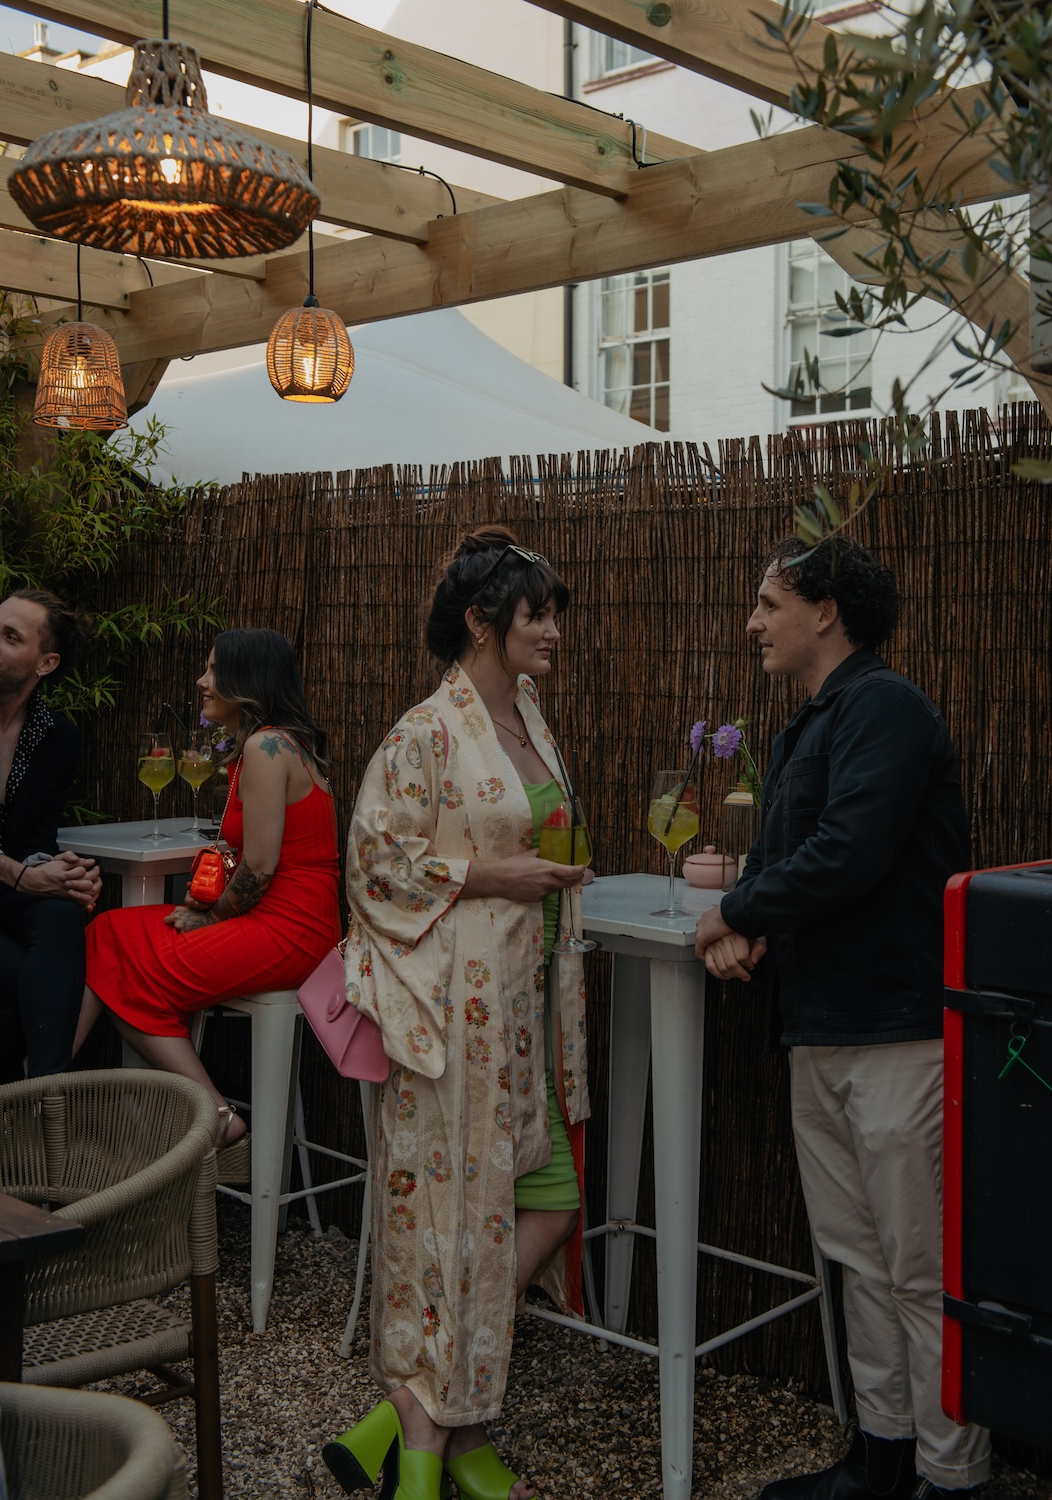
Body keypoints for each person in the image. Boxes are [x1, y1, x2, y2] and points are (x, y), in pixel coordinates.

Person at [694, 537, 990, 1500]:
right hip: (819, 1024)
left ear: (827, 610)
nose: (754, 621)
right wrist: (750, 927)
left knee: (919, 1263)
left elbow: (849, 852)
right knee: (858, 1259)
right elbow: (795, 866)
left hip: (897, 1030)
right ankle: (882, 1457)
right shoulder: (807, 724)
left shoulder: (887, 710)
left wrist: (736, 914)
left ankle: (955, 1476)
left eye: (769, 601)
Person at [325, 528, 591, 1500]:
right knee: (452, 1224)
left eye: (554, 612)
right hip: (457, 1012)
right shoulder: (425, 733)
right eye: (537, 612)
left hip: (527, 1004)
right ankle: (440, 1455)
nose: (553, 630)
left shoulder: (527, 715)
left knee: (545, 1205)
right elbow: (373, 861)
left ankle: (398, 1423)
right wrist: (493, 872)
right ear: (483, 621)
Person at [74, 629, 339, 1160]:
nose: (202, 681)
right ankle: (209, 1113)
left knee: (113, 959)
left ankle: (48, 1088)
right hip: (288, 920)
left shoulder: (268, 748)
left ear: (248, 681)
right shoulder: (277, 743)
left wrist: (211, 916)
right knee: (106, 933)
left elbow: (260, 866)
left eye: (214, 670)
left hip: (289, 931)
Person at [0, 588, 101, 1086]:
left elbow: (36, 833)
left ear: (45, 662)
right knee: (40, 984)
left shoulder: (58, 736)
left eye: (9, 636)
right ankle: (38, 1100)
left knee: (62, 912)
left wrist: (62, 873)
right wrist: (26, 876)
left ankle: (44, 1093)